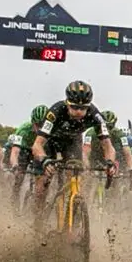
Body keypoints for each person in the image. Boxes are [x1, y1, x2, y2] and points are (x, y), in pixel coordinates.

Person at [28, 81, 117, 215]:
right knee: (43, 181)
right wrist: (44, 160)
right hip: (50, 141)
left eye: (83, 108)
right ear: (67, 103)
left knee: (76, 176)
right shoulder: (56, 111)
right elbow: (37, 145)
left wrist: (110, 163)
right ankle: (38, 218)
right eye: (74, 107)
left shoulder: (95, 115)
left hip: (72, 142)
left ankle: (73, 216)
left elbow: (108, 146)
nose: (79, 112)